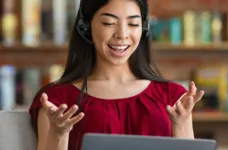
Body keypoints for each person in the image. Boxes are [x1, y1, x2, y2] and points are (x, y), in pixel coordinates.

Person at [29, 0, 204, 150]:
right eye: (108, 23)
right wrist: (58, 135)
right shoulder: (56, 100)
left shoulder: (172, 95)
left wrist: (181, 124)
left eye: (133, 24)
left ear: (144, 29)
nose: (122, 35)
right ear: (86, 26)